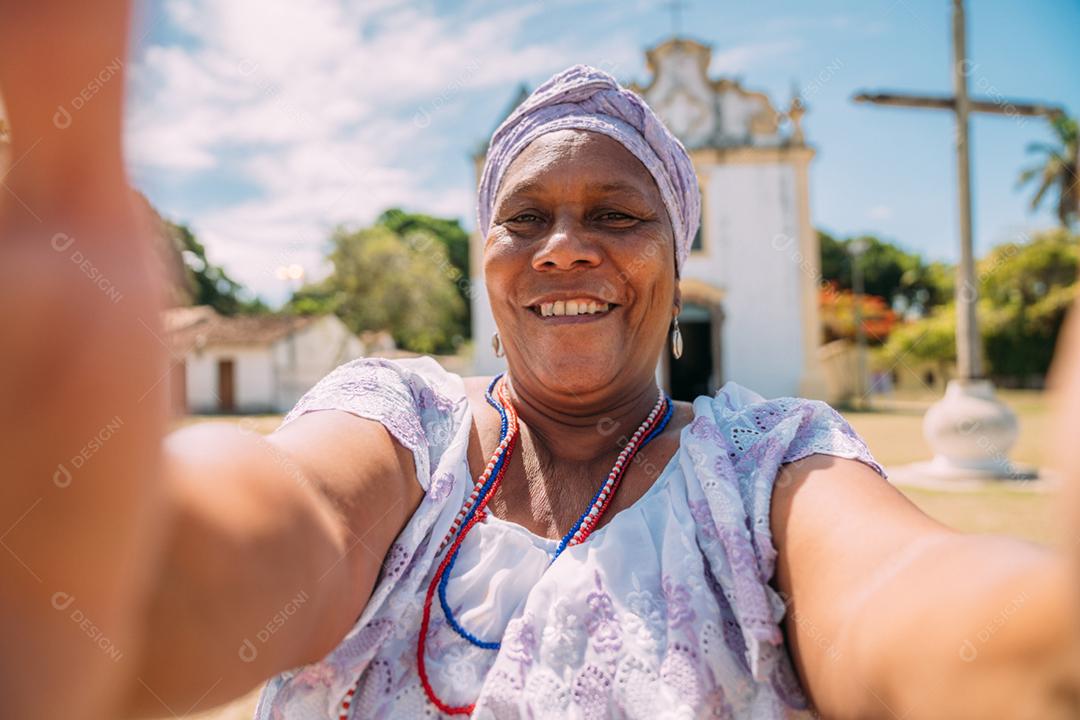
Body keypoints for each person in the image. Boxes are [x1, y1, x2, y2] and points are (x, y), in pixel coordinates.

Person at [1, 3, 1077, 719]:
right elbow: (286, 527)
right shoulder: (399, 423)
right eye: (525, 218)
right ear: (484, 259)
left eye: (618, 212)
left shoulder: (769, 470)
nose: (565, 245)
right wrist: (95, 547)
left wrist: (1043, 641)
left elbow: (900, 596)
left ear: (677, 255)